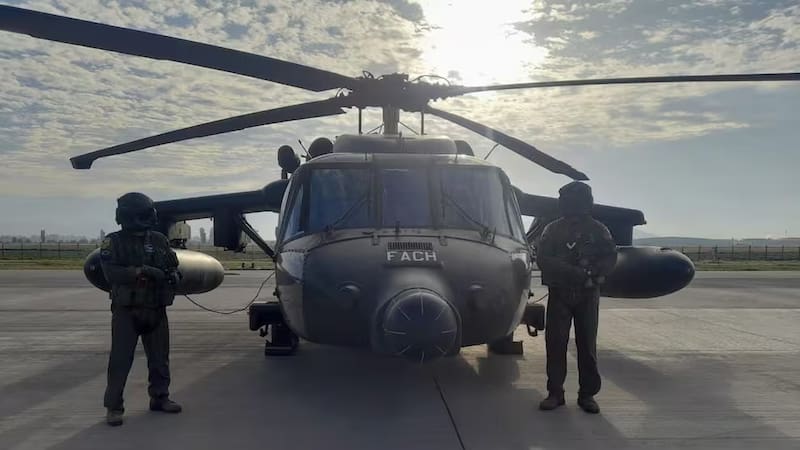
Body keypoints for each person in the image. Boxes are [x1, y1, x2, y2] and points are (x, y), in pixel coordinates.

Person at [100, 192, 183, 426]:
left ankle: (160, 397)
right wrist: (141, 271)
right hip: (127, 310)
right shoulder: (113, 242)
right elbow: (111, 273)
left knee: (159, 358)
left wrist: (174, 276)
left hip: (155, 307)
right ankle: (114, 407)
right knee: (120, 360)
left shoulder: (159, 240)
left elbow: (172, 264)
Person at [535, 181, 617, 414]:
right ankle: (555, 392)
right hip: (560, 292)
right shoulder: (552, 229)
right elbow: (543, 258)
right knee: (555, 343)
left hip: (587, 294)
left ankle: (587, 394)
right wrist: (570, 271)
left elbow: (610, 257)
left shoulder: (598, 230)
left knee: (587, 345)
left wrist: (591, 272)